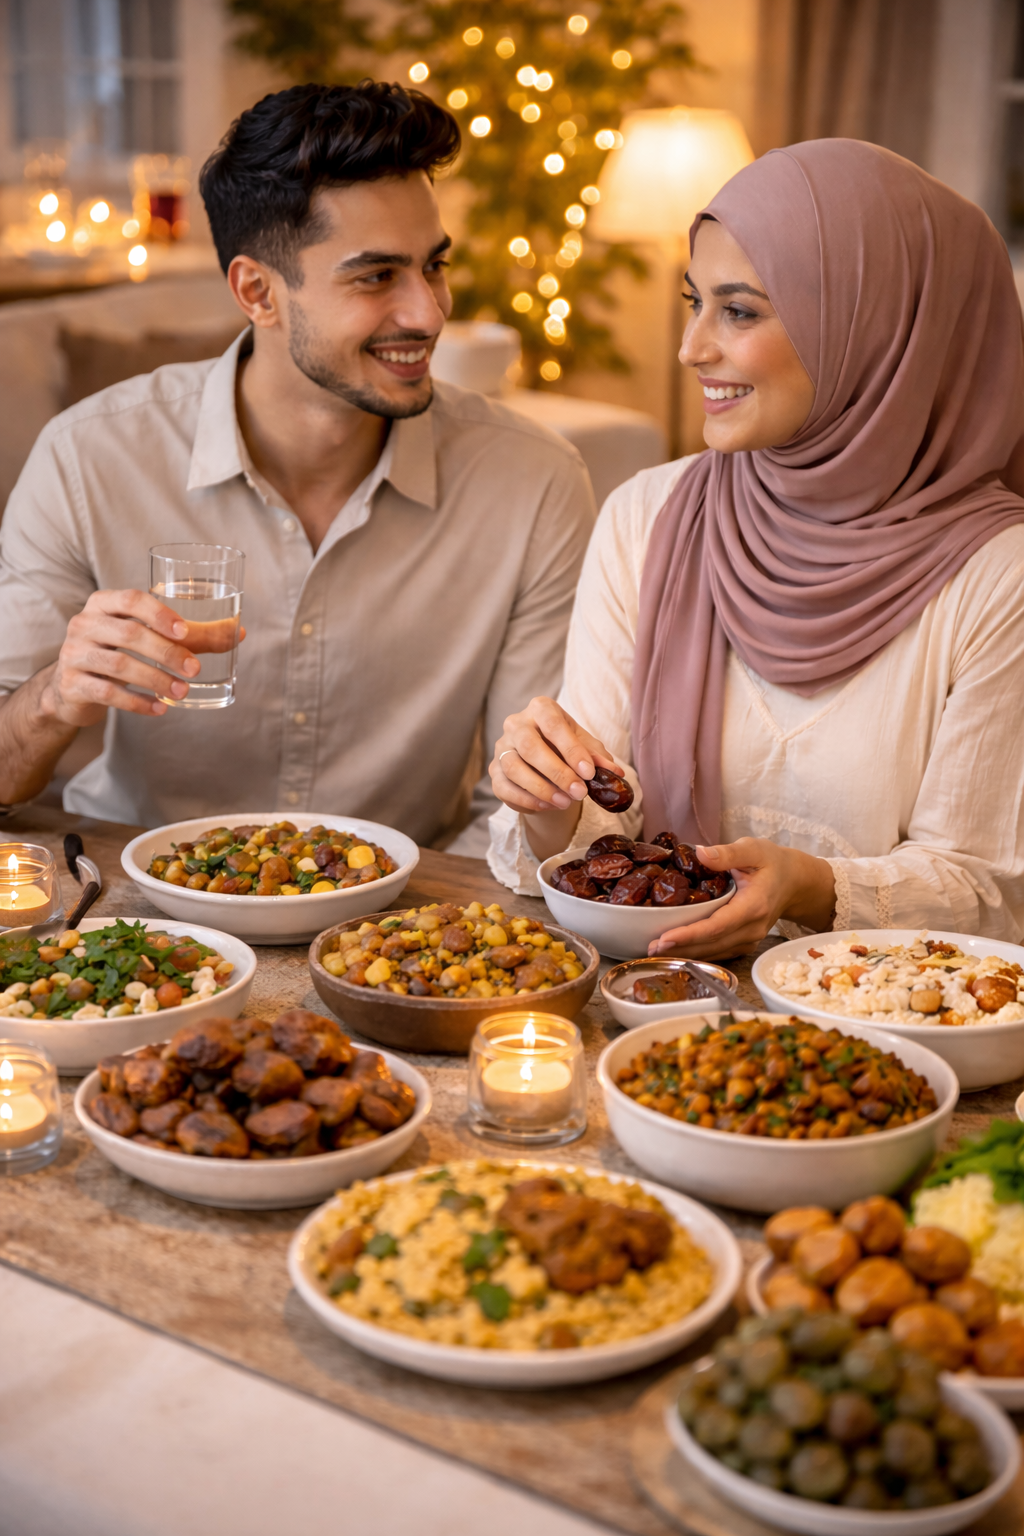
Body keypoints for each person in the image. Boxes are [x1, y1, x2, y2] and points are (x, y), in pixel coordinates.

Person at [0, 82, 594, 844]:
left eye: (433, 267)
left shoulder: (534, 482)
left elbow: (524, 819)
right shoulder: (90, 458)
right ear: (258, 292)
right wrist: (54, 697)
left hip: (398, 931)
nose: (428, 311)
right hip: (133, 910)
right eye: (376, 276)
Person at [488, 138, 1024, 954]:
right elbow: (603, 826)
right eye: (693, 301)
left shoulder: (1001, 578)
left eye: (739, 310)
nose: (691, 347)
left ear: (872, 331)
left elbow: (990, 893)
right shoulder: (648, 516)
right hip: (652, 1006)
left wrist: (811, 888)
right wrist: (547, 796)